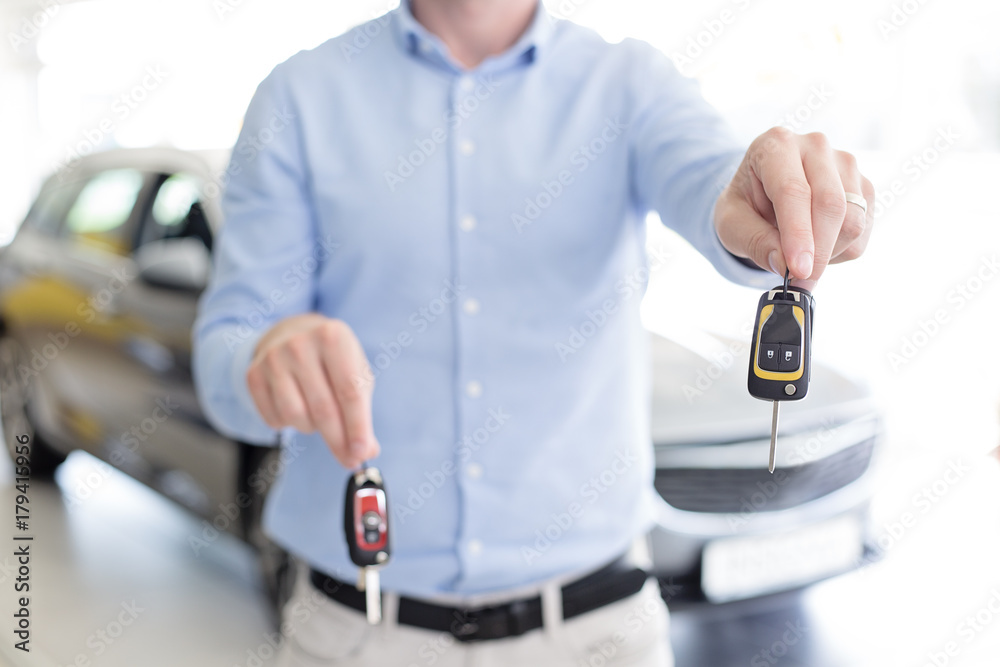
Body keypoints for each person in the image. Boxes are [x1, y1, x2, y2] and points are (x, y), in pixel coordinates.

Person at [192, 0, 874, 665]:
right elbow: (226, 349)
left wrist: (759, 208)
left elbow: (714, 184)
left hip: (599, 631)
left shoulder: (629, 84)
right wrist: (261, 361)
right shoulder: (299, 97)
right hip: (357, 630)